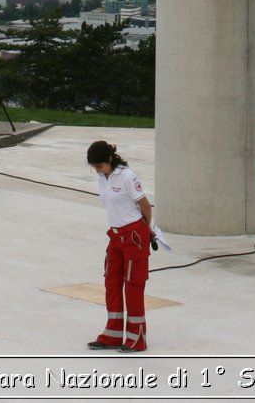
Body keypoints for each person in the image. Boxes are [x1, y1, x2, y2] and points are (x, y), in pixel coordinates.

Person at [86, 139, 155, 352]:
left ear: (109, 159)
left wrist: (147, 229)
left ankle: (137, 337)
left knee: (133, 286)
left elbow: (145, 206)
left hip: (134, 235)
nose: (98, 171)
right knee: (112, 283)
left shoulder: (127, 176)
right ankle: (113, 334)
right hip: (115, 236)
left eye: (99, 166)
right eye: (95, 168)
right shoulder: (102, 177)